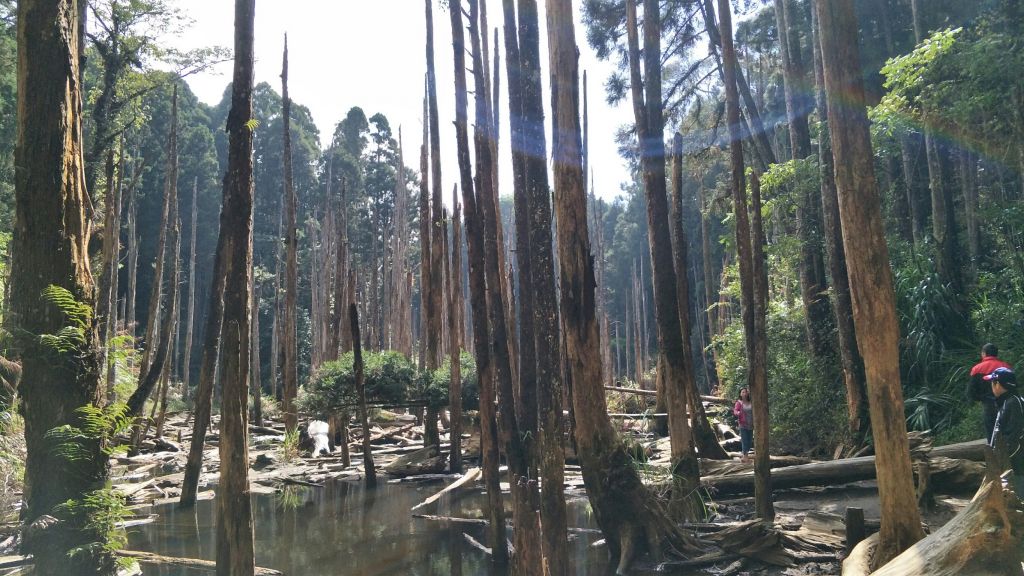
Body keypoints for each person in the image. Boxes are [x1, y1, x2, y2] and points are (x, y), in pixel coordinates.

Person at [985, 367, 1024, 496]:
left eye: (992, 382)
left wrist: (1001, 459)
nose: (991, 386)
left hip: (1016, 464)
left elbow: (1014, 436)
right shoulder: (1007, 401)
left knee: (1019, 495)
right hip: (1010, 462)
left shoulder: (1013, 403)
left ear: (998, 384)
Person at [969, 343, 1012, 440]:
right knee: (1006, 429)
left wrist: (981, 398)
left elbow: (971, 391)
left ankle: (993, 451)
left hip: (988, 404)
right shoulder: (1006, 367)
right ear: (996, 354)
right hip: (1006, 404)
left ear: (984, 353)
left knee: (991, 432)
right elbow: (1012, 387)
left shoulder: (976, 369)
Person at [733, 387, 754, 462]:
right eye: (743, 392)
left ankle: (745, 454)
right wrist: (737, 413)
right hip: (743, 424)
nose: (744, 393)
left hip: (751, 424)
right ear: (740, 394)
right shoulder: (739, 402)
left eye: (745, 392)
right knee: (745, 440)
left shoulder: (752, 401)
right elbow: (735, 410)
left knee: (749, 440)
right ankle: (745, 456)